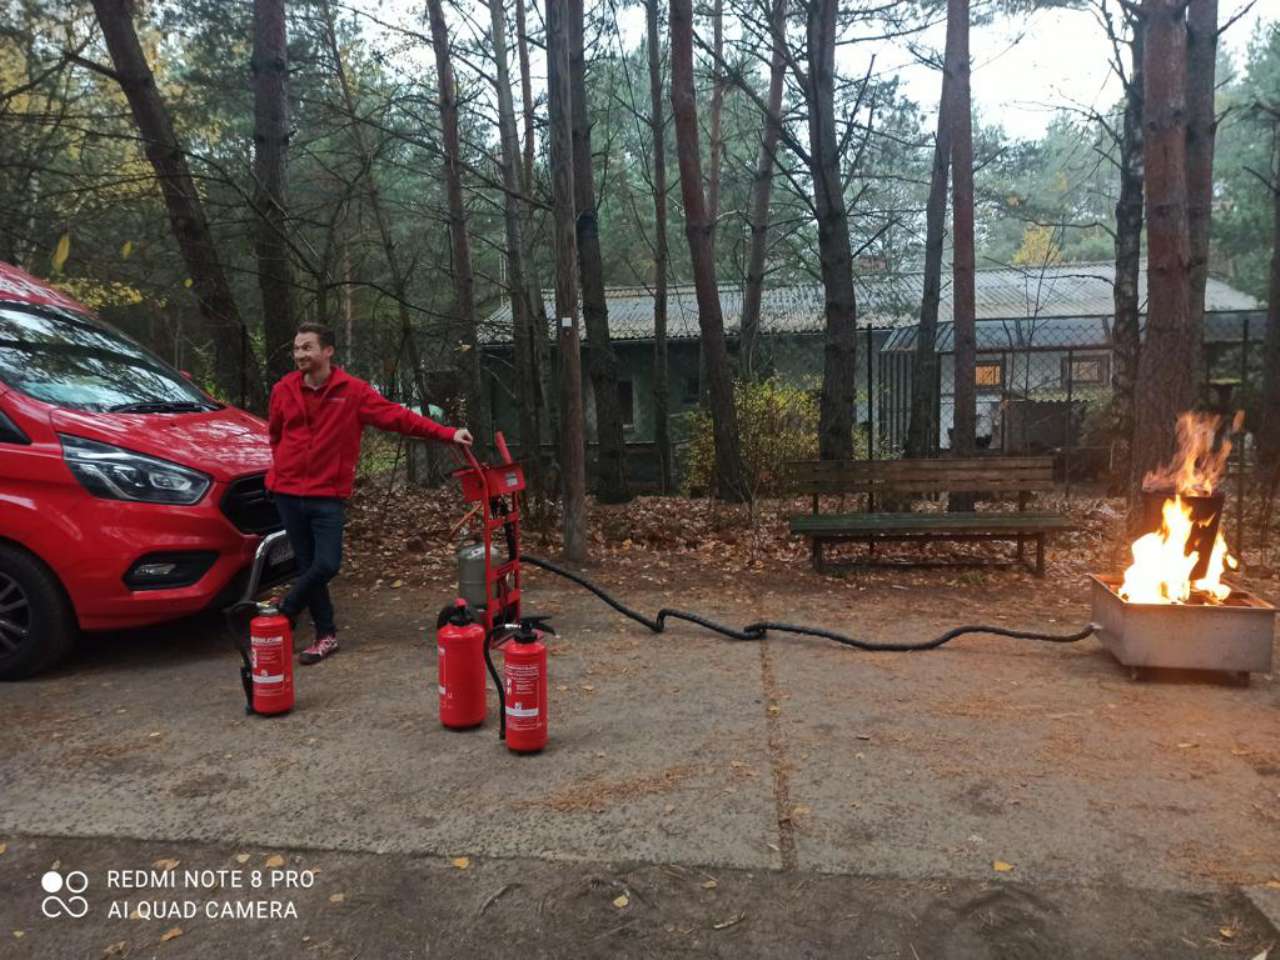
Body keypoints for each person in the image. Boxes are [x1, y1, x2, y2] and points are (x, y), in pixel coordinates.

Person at [266, 322, 473, 664]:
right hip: (287, 493)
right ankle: (325, 636)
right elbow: (275, 435)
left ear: (328, 351)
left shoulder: (352, 392)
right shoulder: (283, 389)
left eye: (307, 347)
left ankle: (286, 608)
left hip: (327, 495)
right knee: (306, 565)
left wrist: (447, 433)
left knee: (326, 564)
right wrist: (283, 468)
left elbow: (398, 417)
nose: (300, 354)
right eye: (297, 348)